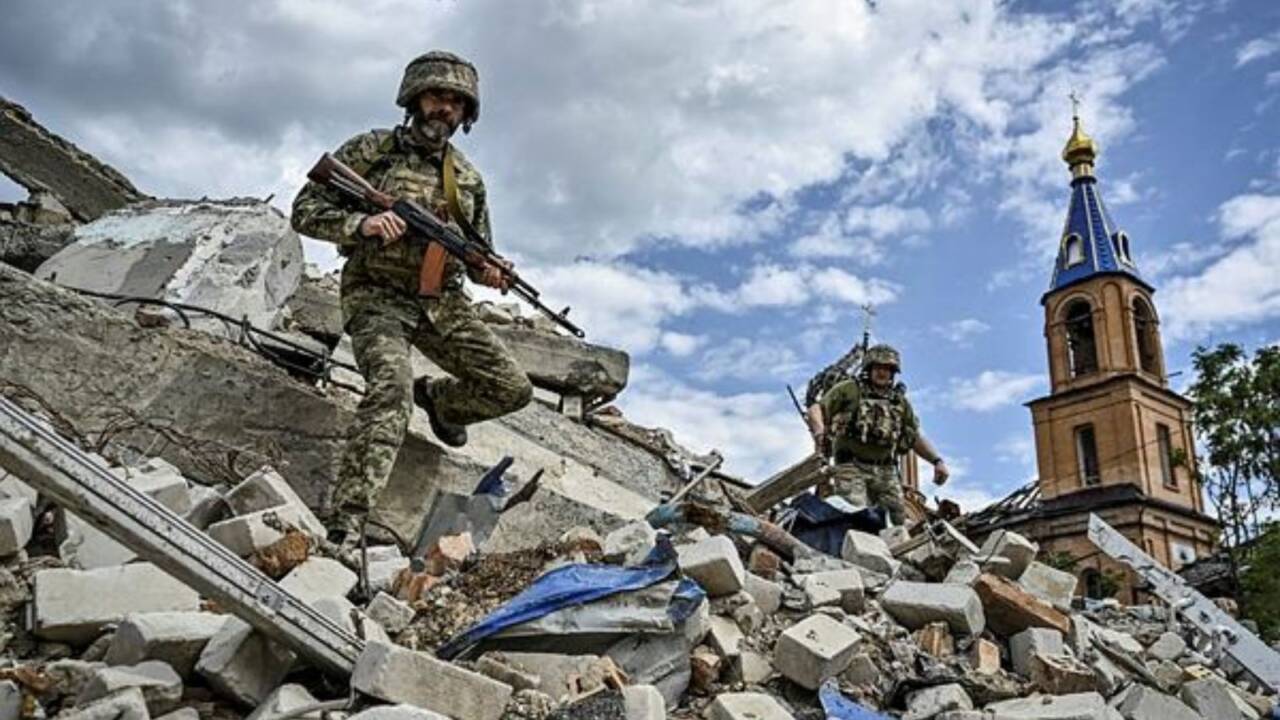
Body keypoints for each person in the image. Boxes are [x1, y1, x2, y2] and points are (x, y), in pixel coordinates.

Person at [290, 51, 532, 543]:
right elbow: (305, 209)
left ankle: (440, 401)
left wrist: (490, 272)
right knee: (390, 392)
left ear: (467, 115)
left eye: (457, 103)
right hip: (376, 297)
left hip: (441, 304)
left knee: (512, 388)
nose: (446, 109)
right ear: (414, 98)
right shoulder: (372, 151)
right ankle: (349, 525)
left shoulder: (466, 179)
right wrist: (360, 224)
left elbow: (474, 253)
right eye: (437, 96)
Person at [810, 344, 949, 525]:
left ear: (893, 372)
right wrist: (820, 432)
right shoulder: (850, 390)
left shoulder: (899, 402)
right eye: (878, 367)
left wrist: (937, 461)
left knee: (898, 521)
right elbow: (816, 409)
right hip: (851, 467)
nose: (882, 372)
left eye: (888, 368)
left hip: (885, 471)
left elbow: (913, 437)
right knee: (857, 515)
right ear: (869, 369)